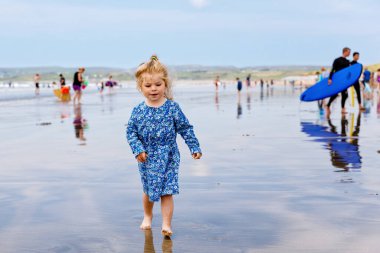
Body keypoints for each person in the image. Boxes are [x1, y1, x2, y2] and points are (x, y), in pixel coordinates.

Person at [126, 55, 202, 237]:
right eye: (148, 85)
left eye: (158, 85)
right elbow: (130, 132)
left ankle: (166, 224)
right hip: (147, 157)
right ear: (140, 87)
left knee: (167, 191)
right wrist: (138, 149)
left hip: (169, 155)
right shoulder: (138, 110)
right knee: (149, 190)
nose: (153, 89)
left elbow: (185, 128)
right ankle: (147, 215)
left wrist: (194, 147)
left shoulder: (172, 108)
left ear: (165, 85)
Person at [326, 47, 351, 117]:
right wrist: (330, 78)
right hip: (337, 80)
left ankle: (343, 109)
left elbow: (349, 72)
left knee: (345, 94)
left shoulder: (348, 61)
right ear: (345, 52)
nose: (349, 54)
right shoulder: (337, 60)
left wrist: (350, 81)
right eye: (349, 52)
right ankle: (328, 106)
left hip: (344, 80)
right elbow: (333, 69)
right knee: (335, 94)